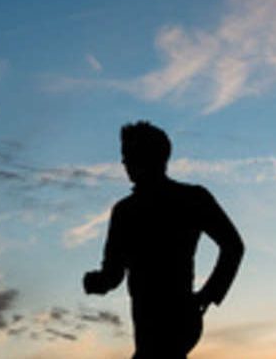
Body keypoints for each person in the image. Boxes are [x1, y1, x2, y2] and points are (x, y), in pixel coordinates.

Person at [83, 121, 244, 358]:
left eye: (129, 155)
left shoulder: (189, 199)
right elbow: (114, 274)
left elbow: (233, 246)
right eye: (124, 155)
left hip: (177, 319)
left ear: (151, 157)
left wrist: (209, 294)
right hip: (151, 322)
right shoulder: (126, 211)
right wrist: (98, 281)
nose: (124, 162)